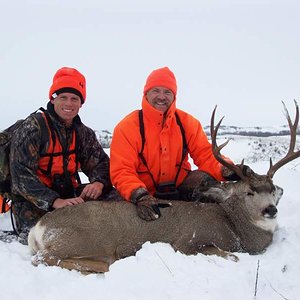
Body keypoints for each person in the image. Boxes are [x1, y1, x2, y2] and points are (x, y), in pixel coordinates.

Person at [110, 66, 244, 221]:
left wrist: (226, 169)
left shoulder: (187, 123)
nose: (161, 97)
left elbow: (205, 155)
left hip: (180, 185)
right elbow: (121, 171)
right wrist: (139, 195)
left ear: (174, 96)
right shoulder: (127, 127)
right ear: (146, 94)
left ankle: (225, 224)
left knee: (209, 185)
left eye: (167, 92)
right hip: (143, 193)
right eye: (156, 91)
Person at [10, 67, 113, 243]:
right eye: (63, 97)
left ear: (81, 104)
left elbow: (101, 163)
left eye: (75, 98)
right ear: (52, 98)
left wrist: (98, 183)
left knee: (116, 198)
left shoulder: (83, 133)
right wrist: (54, 201)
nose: (69, 103)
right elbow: (21, 177)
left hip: (70, 194)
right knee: (45, 236)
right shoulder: (32, 128)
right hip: (35, 200)